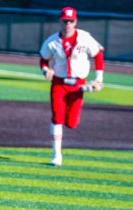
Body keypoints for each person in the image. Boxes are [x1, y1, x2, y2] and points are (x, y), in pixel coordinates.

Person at [39, 6, 104, 166]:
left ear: (75, 21)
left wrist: (99, 78)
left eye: (71, 21)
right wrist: (45, 69)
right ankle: (57, 156)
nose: (67, 24)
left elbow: (98, 55)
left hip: (78, 85)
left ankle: (67, 128)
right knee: (57, 118)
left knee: (72, 123)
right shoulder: (52, 41)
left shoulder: (85, 37)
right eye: (65, 21)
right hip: (59, 84)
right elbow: (43, 58)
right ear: (60, 21)